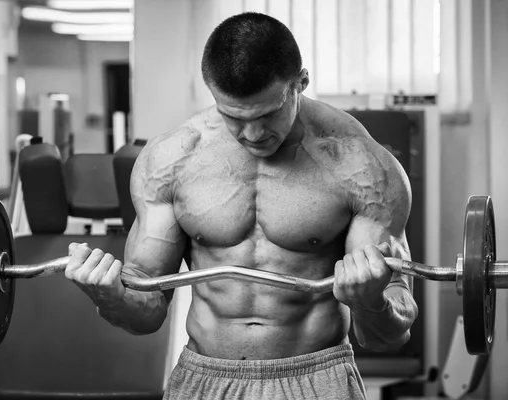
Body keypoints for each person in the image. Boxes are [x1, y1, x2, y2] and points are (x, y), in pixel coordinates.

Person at [65, 12, 418, 400]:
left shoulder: (362, 167)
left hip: (318, 378)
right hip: (205, 378)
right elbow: (146, 313)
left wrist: (371, 301)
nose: (252, 134)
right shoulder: (170, 161)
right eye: (233, 116)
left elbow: (389, 335)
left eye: (269, 114)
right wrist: (109, 294)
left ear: (300, 82)